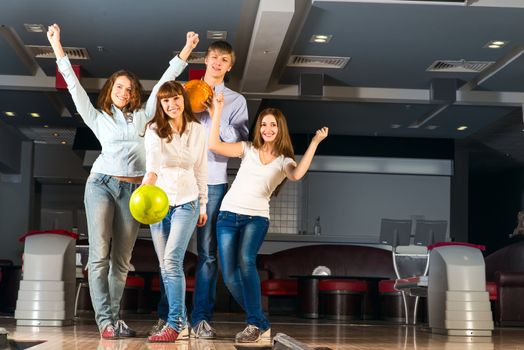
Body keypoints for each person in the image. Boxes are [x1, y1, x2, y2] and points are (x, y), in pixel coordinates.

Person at [46, 23, 198, 339]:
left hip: (135, 191)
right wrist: (58, 47)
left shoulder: (145, 117)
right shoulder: (97, 117)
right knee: (100, 254)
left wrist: (185, 51)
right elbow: (74, 86)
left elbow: (164, 85)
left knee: (122, 261)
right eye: (119, 87)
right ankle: (106, 322)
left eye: (129, 89)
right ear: (110, 90)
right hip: (101, 184)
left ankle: (115, 319)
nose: (124, 93)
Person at [208, 100, 328, 343]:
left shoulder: (284, 160)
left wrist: (314, 143)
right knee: (229, 277)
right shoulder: (247, 148)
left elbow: (297, 175)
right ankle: (260, 322)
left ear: (280, 128)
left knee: (245, 261)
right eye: (264, 124)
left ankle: (254, 324)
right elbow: (214, 145)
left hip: (257, 217)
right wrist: (217, 111)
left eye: (273, 125)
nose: (267, 129)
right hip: (227, 215)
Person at [188, 40, 249, 339]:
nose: (217, 62)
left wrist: (215, 113)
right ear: (206, 60)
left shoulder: (236, 101)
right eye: (213, 57)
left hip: (213, 184)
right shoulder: (185, 92)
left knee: (208, 254)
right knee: (170, 256)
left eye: (224, 59)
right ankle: (167, 317)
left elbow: (236, 148)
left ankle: (200, 319)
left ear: (229, 66)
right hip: (180, 181)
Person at [142, 80, 208, 343]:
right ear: (161, 104)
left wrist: (203, 203)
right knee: (165, 266)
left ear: (184, 99)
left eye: (176, 98)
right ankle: (177, 321)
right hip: (159, 203)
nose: (171, 104)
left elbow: (201, 168)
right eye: (165, 100)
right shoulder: (154, 129)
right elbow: (153, 161)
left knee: (172, 262)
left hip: (188, 202)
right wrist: (149, 181)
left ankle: (176, 323)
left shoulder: (197, 130)